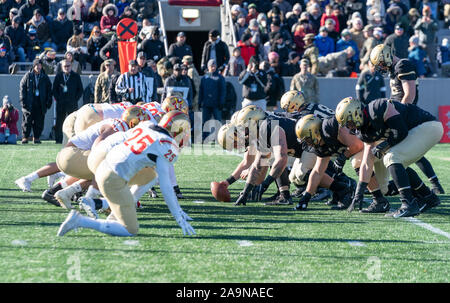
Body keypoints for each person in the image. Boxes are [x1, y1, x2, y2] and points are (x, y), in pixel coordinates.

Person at [56, 113, 195, 237]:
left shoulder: (148, 125)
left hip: (104, 163)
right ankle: (80, 221)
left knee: (151, 176)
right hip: (111, 177)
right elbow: (166, 187)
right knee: (130, 230)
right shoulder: (167, 146)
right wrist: (178, 216)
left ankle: (109, 210)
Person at [335, 97, 443, 217]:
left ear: (356, 113)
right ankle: (428, 197)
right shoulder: (363, 132)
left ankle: (408, 204)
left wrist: (385, 145)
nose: (350, 127)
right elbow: (367, 161)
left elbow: (401, 131)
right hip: (412, 133)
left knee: (392, 157)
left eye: (349, 122)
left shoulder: (377, 107)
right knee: (383, 186)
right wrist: (359, 192)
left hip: (428, 126)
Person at [370, 43, 445, 195]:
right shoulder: (394, 68)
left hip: (403, 112)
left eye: (381, 64)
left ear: (387, 57)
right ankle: (430, 184)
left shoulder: (402, 65)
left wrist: (399, 115)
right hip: (398, 110)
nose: (381, 67)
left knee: (402, 152)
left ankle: (428, 186)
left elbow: (409, 94)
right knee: (407, 153)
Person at [295, 113, 390, 213]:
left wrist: (343, 157)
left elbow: (357, 145)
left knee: (357, 161)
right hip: (370, 151)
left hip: (380, 141)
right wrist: (306, 197)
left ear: (315, 131)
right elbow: (318, 171)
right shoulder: (320, 143)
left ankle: (379, 201)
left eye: (308, 139)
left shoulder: (331, 128)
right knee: (384, 188)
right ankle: (406, 179)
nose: (308, 144)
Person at [19, 58, 52, 144]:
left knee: (39, 121)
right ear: (34, 66)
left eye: (40, 65)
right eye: (36, 65)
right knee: (27, 121)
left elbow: (49, 90)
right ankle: (25, 137)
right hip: (29, 103)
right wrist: (23, 101)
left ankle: (36, 137)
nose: (38, 67)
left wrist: (48, 101)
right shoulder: (28, 76)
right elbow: (22, 88)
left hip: (40, 103)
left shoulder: (45, 77)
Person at [53, 59, 83, 144]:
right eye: (65, 66)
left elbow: (80, 90)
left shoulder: (76, 76)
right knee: (60, 121)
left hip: (72, 103)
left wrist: (75, 99)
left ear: (71, 66)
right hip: (61, 103)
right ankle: (58, 139)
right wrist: (58, 98)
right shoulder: (58, 76)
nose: (67, 68)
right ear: (62, 67)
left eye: (68, 66)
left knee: (73, 122)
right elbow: (54, 89)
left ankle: (73, 139)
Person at [199, 59, 225, 139]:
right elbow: (201, 91)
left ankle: (219, 138)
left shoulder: (220, 77)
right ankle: (205, 138)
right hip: (206, 104)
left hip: (216, 104)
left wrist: (221, 102)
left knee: (218, 121)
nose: (213, 68)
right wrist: (200, 102)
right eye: (211, 66)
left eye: (214, 66)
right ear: (208, 67)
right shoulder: (204, 78)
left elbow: (223, 91)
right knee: (205, 122)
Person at [414, 5, 439, 77]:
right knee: (420, 58)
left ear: (430, 12)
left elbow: (437, 28)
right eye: (425, 12)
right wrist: (421, 22)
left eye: (427, 12)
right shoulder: (420, 19)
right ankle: (421, 73)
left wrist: (430, 22)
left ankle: (435, 72)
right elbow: (416, 27)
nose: (426, 13)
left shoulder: (433, 19)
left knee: (432, 59)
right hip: (421, 43)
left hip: (431, 43)